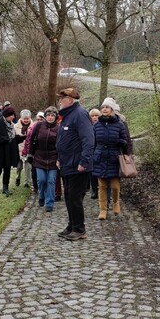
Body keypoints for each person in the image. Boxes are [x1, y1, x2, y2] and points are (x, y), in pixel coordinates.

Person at [55, 87, 94, 241]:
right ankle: (72, 226)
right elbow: (63, 140)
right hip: (67, 164)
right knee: (69, 196)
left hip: (78, 165)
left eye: (61, 99)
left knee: (75, 197)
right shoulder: (67, 116)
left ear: (70, 100)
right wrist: (59, 158)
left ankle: (79, 229)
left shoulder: (80, 114)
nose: (59, 102)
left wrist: (84, 161)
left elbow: (88, 140)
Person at [93, 97, 129, 220]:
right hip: (100, 158)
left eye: (107, 107)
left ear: (112, 110)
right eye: (103, 107)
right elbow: (93, 142)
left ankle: (115, 202)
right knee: (102, 186)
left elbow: (125, 141)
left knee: (114, 186)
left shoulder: (119, 125)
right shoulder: (97, 125)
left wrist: (119, 142)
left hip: (114, 159)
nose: (104, 109)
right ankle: (103, 210)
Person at [25, 106, 60, 212]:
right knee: (41, 180)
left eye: (52, 116)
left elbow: (62, 144)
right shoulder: (39, 125)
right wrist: (30, 154)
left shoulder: (59, 128)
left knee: (51, 181)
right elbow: (32, 140)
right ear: (45, 116)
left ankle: (49, 203)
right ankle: (42, 196)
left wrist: (60, 158)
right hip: (39, 157)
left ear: (56, 117)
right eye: (48, 115)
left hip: (53, 158)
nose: (50, 117)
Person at [24, 111, 44, 191]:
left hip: (43, 152)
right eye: (38, 119)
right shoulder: (32, 128)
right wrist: (27, 152)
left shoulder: (47, 128)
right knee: (34, 171)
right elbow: (28, 140)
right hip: (34, 152)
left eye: (41, 119)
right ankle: (36, 187)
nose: (39, 121)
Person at [14, 109, 35, 189]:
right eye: (24, 118)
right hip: (19, 150)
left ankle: (27, 182)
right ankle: (18, 176)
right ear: (21, 118)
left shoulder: (33, 126)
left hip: (28, 150)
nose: (26, 120)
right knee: (19, 167)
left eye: (27, 118)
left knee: (28, 167)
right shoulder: (15, 127)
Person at [88, 108, 102, 199]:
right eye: (92, 116)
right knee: (92, 173)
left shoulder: (102, 126)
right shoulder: (88, 126)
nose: (94, 118)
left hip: (99, 152)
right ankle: (94, 190)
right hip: (91, 152)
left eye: (96, 116)